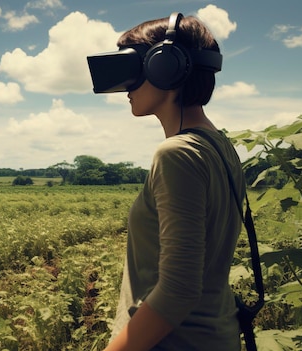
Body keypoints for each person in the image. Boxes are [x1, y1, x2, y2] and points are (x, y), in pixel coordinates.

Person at [96, 13, 245, 351]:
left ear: (166, 69)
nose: (125, 88)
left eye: (133, 70)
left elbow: (178, 291)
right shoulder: (219, 146)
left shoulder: (176, 154)